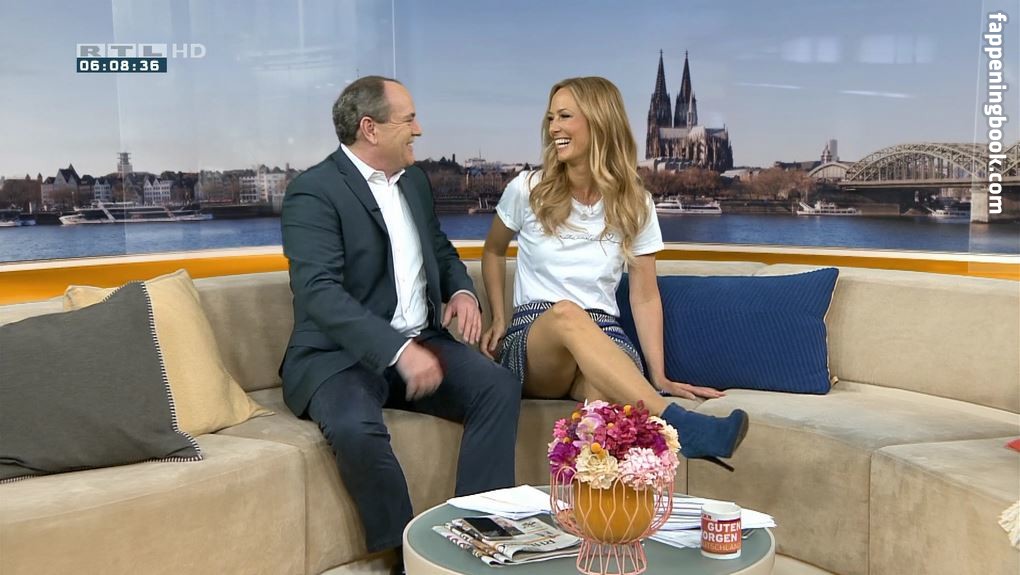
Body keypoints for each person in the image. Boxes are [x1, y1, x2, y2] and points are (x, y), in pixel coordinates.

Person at [280, 75, 522, 557]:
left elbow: (440, 249)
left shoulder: (414, 181)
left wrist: (461, 291)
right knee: (354, 427)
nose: (419, 129)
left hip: (422, 340)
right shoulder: (314, 191)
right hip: (339, 357)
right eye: (409, 119)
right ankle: (406, 559)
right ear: (370, 128)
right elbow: (318, 293)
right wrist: (397, 350)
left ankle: (478, 540)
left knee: (498, 386)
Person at [480, 76, 747, 471]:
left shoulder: (635, 201)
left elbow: (644, 295)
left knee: (613, 412)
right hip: (539, 335)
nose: (553, 128)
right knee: (567, 314)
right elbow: (492, 250)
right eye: (551, 118)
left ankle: (605, 507)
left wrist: (659, 374)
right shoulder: (527, 188)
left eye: (565, 116)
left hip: (604, 334)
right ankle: (682, 426)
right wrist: (499, 318)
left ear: (599, 121)